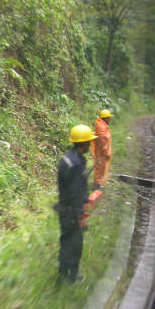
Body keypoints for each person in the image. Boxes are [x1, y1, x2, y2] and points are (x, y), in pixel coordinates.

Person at [55, 124, 97, 283]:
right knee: (74, 244)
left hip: (64, 208)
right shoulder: (77, 165)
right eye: (89, 142)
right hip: (72, 212)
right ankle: (71, 277)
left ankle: (63, 272)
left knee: (65, 240)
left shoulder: (68, 158)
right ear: (84, 143)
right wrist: (81, 216)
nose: (90, 144)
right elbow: (75, 194)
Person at [91, 109, 113, 189]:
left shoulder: (102, 125)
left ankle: (98, 184)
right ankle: (97, 186)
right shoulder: (101, 127)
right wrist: (106, 153)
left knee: (101, 167)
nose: (110, 120)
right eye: (109, 118)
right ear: (105, 118)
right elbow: (103, 141)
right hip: (101, 152)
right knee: (100, 167)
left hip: (101, 151)